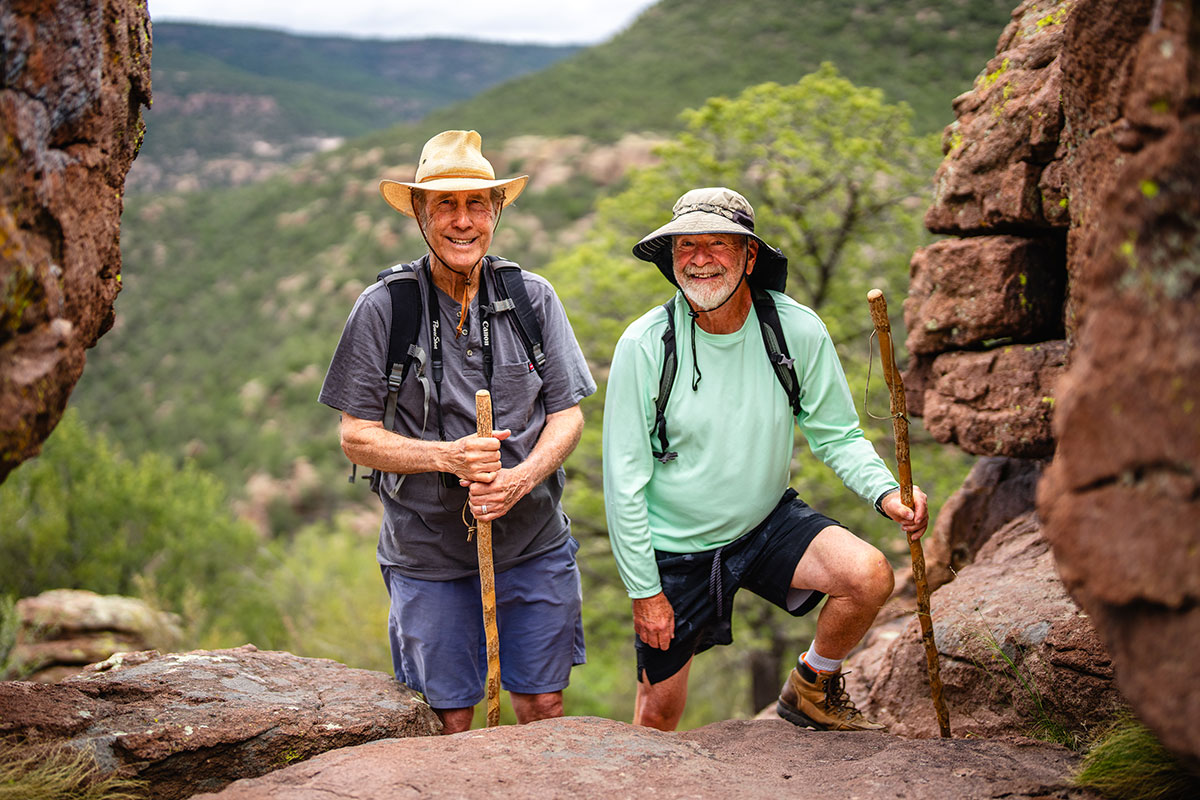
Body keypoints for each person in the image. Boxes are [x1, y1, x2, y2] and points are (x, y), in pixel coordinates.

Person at [602, 186, 928, 732]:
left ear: (750, 255)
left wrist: (885, 491)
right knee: (658, 714)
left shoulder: (794, 330)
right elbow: (624, 483)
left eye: (718, 244)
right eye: (686, 246)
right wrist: (645, 591)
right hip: (675, 549)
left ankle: (812, 685)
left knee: (869, 576)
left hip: (764, 522)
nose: (700, 259)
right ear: (671, 258)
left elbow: (837, 434)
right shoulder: (646, 344)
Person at [319, 130, 596, 734]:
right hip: (426, 553)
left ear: (497, 211)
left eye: (477, 204)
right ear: (420, 214)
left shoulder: (532, 298)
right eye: (444, 204)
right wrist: (448, 457)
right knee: (448, 718)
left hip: (533, 541)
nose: (462, 221)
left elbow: (568, 414)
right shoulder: (385, 307)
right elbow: (356, 436)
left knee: (544, 707)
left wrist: (519, 479)